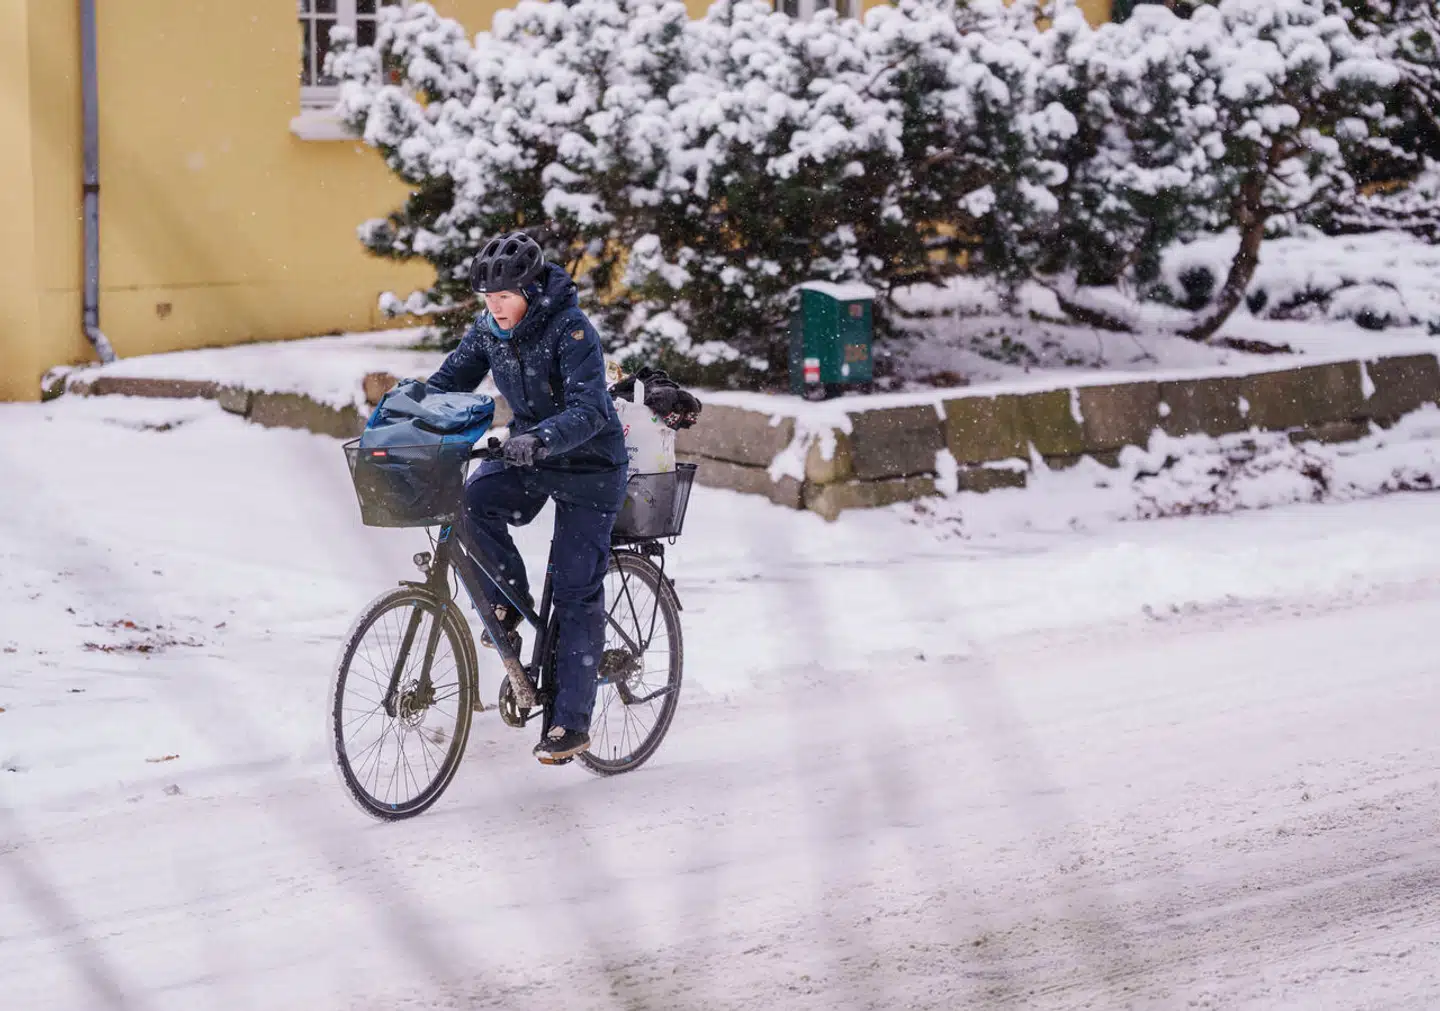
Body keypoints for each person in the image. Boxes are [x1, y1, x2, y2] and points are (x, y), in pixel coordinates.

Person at [426, 232, 628, 764]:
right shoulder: (488, 332)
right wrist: (407, 416)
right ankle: (506, 601)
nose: (495, 307)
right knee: (473, 502)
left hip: (588, 467)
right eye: (487, 298)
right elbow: (448, 382)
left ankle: (570, 723)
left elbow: (592, 410)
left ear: (531, 289)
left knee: (574, 586)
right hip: (530, 456)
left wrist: (539, 438)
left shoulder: (571, 330)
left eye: (505, 296)